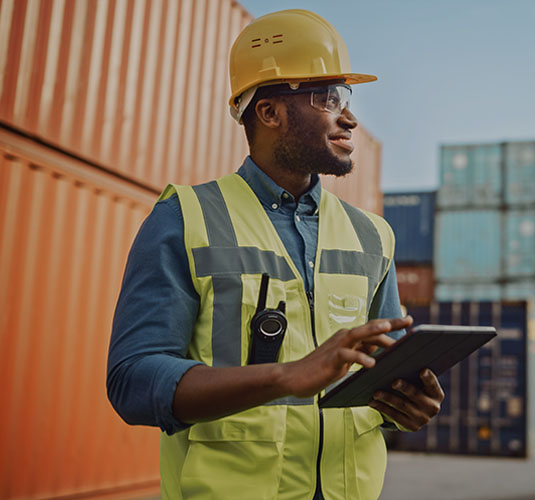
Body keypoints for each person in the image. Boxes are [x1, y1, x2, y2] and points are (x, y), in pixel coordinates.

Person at [106, 9, 443, 500]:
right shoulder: (185, 218)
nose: (349, 116)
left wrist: (406, 404)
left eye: (347, 98)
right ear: (269, 112)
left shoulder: (374, 236)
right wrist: (287, 376)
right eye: (328, 98)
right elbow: (133, 382)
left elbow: (382, 376)